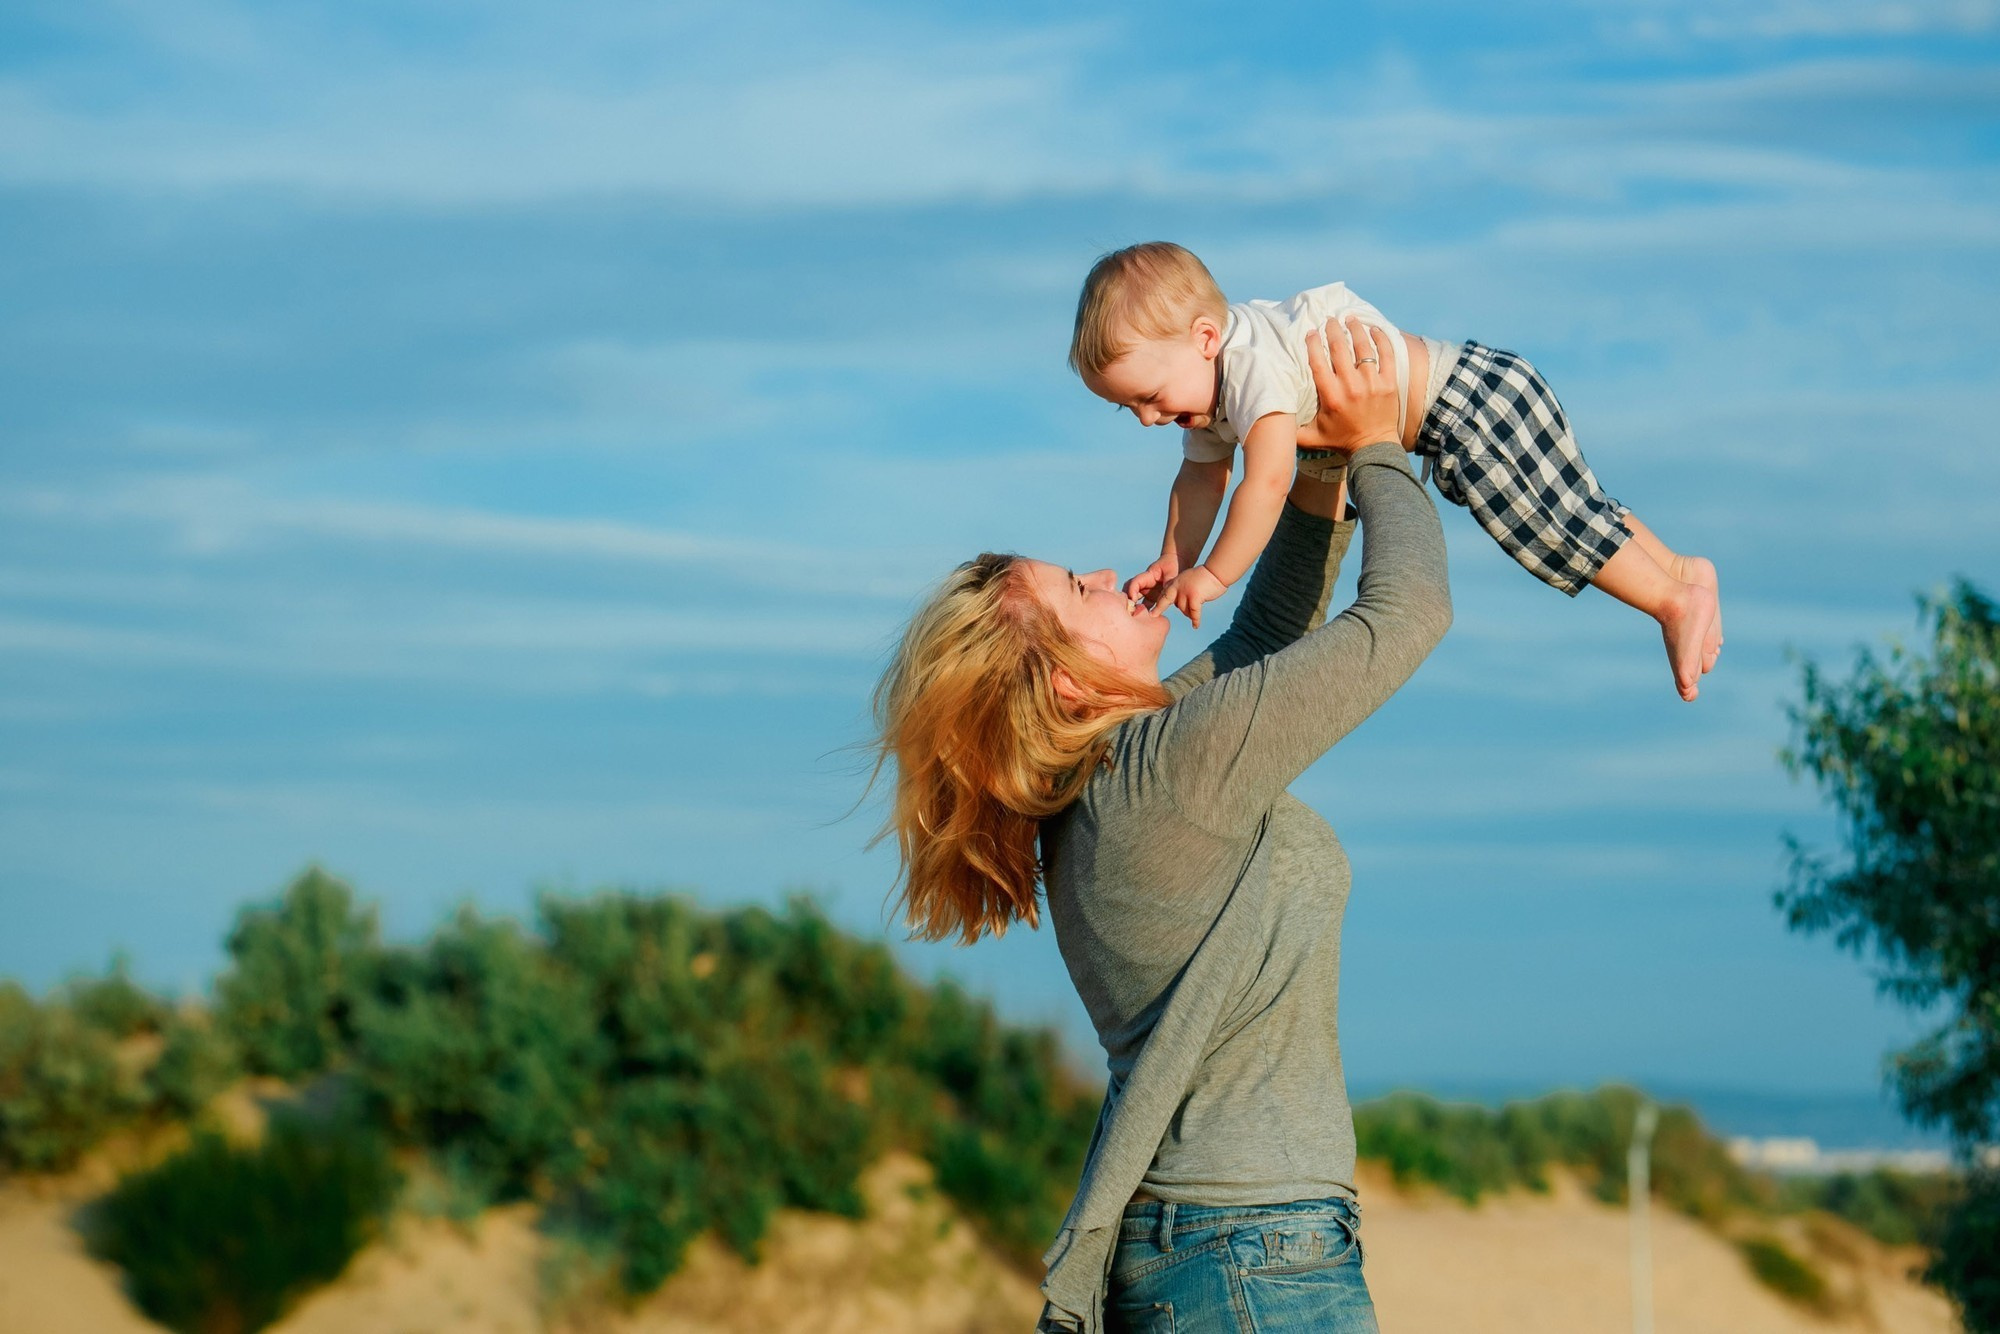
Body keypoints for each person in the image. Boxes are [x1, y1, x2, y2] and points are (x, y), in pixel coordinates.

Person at [872, 317, 1450, 1333]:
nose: (1107, 573)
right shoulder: (1156, 773)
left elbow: (1265, 634)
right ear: (1062, 679)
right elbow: (1408, 616)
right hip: (1249, 1255)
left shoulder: (1111, 778)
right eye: (1077, 590)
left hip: (1221, 1251)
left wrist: (1308, 460)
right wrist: (1375, 446)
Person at [1069, 241, 1722, 701]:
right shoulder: (1203, 396)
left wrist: (1214, 574)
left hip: (1469, 404)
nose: (1149, 419)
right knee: (1573, 508)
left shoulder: (1249, 367)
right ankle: (1678, 571)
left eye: (1150, 396)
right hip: (1459, 413)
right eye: (1130, 408)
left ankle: (1670, 601)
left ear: (1206, 339)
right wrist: (1175, 558)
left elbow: (1266, 480)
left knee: (1548, 527)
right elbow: (1199, 482)